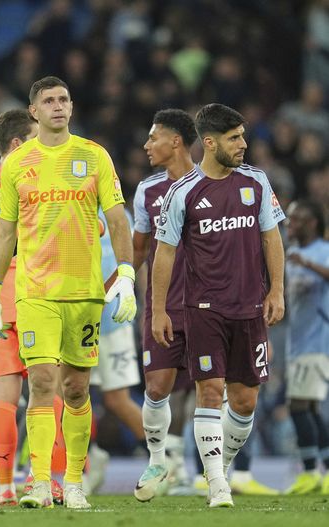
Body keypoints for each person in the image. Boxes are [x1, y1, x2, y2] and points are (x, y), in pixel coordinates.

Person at [0, 76, 136, 509]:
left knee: (76, 390)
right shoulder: (17, 164)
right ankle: (38, 481)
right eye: (48, 100)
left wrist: (125, 273)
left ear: (71, 106)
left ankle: (73, 482)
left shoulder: (94, 156)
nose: (58, 106)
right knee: (43, 382)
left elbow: (118, 220)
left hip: (85, 294)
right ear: (33, 111)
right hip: (35, 293)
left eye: (64, 99)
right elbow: (4, 232)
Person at [152, 103, 286, 508]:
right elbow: (164, 255)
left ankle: (221, 468)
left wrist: (276, 289)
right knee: (209, 391)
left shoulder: (257, 183)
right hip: (204, 309)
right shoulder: (183, 192)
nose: (243, 144)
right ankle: (216, 484)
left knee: (245, 402)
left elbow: (271, 238)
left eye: (242, 136)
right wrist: (159, 310)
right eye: (234, 138)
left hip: (250, 308)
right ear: (209, 143)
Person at [0, 108, 71, 507]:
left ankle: (4, 487)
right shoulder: (36, 174)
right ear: (19, 144)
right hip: (34, 286)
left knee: (3, 394)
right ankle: (47, 480)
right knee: (48, 389)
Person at [131, 108, 198, 501]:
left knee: (213, 389)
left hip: (210, 304)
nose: (146, 145)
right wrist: (119, 284)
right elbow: (139, 249)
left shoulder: (214, 184)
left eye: (153, 137)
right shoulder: (148, 190)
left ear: (175, 141)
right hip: (163, 307)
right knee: (158, 387)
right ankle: (159, 460)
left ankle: (210, 472)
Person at [86, 207, 143, 494]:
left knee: (117, 400)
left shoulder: (118, 213)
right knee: (69, 396)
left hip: (114, 320)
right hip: (80, 318)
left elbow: (135, 261)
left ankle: (164, 458)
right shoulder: (67, 203)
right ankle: (90, 459)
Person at [282, 200, 329, 495]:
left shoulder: (322, 251)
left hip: (318, 338)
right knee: (310, 407)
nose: (290, 225)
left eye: (296, 220)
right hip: (296, 341)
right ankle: (322, 471)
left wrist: (308, 264)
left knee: (298, 405)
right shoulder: (290, 255)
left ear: (312, 223)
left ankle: (310, 471)